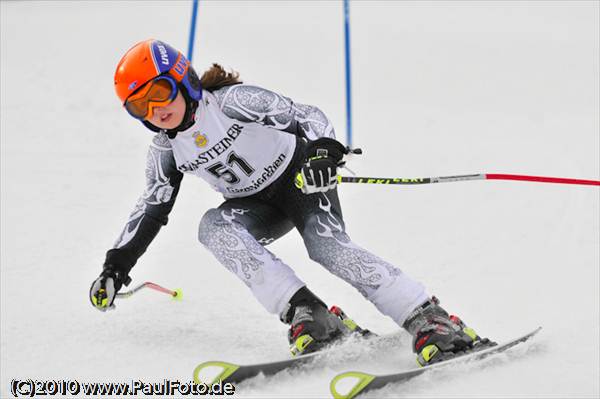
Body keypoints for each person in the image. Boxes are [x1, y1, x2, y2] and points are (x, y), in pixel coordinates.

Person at [90, 39, 489, 366]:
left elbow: (305, 115)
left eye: (158, 93)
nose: (156, 111)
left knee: (325, 247)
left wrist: (322, 153)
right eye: (139, 106)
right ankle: (309, 312)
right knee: (212, 227)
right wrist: (116, 265)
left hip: (301, 181)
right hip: (255, 206)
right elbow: (152, 208)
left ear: (183, 81)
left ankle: (428, 318)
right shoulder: (165, 150)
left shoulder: (230, 103)